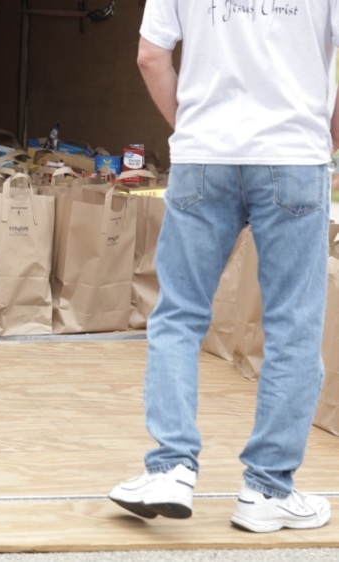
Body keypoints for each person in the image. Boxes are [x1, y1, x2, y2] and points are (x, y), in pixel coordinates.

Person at [109, 1, 338, 533]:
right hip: (293, 154)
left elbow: (150, 56)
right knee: (294, 327)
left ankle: (170, 468)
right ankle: (267, 490)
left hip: (204, 154)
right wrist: (327, 136)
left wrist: (191, 128)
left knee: (178, 315)